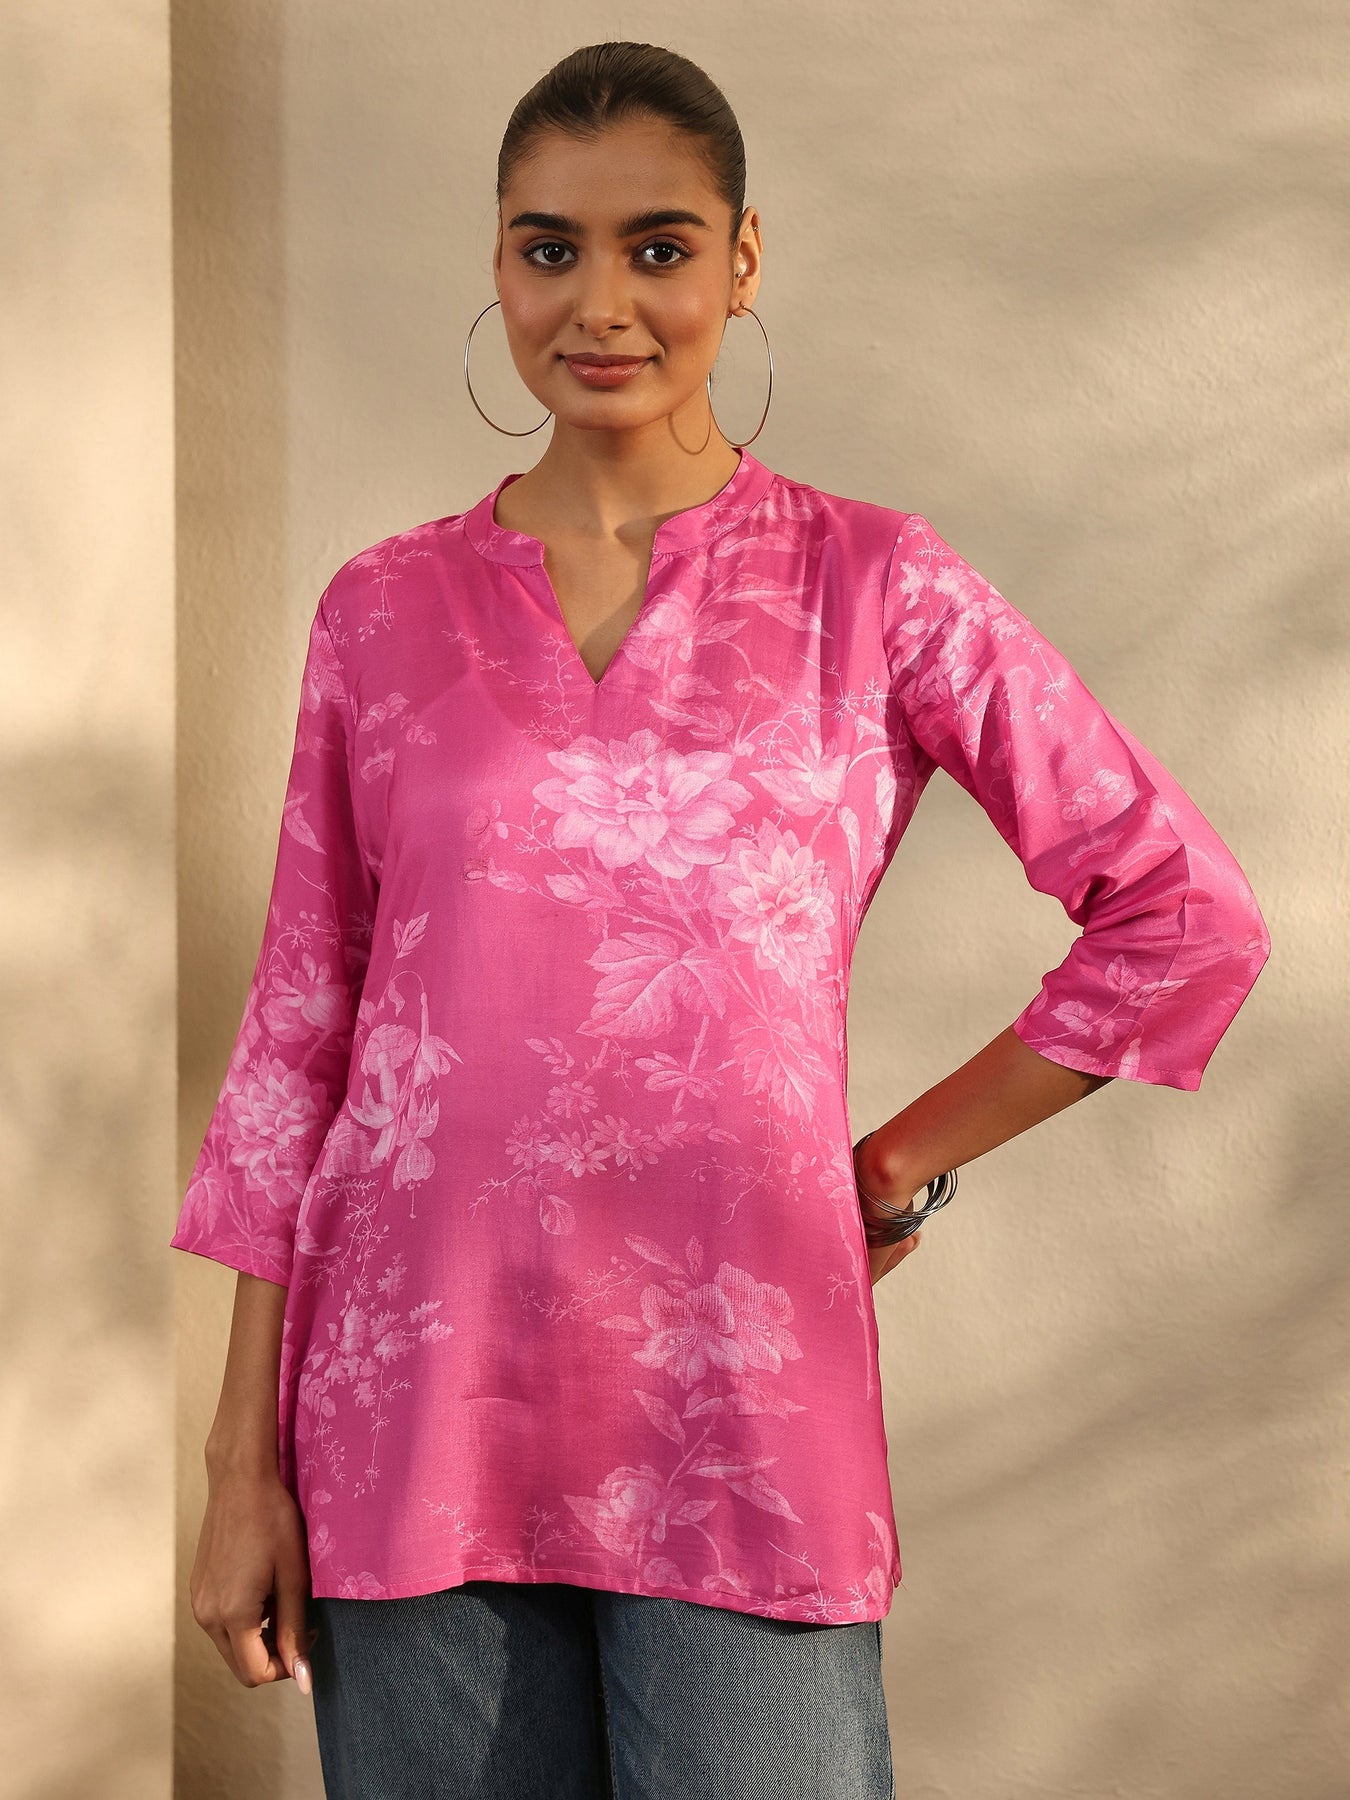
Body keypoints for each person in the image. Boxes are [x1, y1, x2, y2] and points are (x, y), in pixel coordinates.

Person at [170, 39, 1272, 1800]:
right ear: (498, 261)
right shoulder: (381, 610)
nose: (599, 303)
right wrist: (242, 1464)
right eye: (549, 249)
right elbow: (302, 1035)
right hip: (408, 1410)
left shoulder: (874, 585)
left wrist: (887, 1165)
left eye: (659, 248)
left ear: (743, 261)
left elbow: (1179, 915)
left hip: (739, 1411)